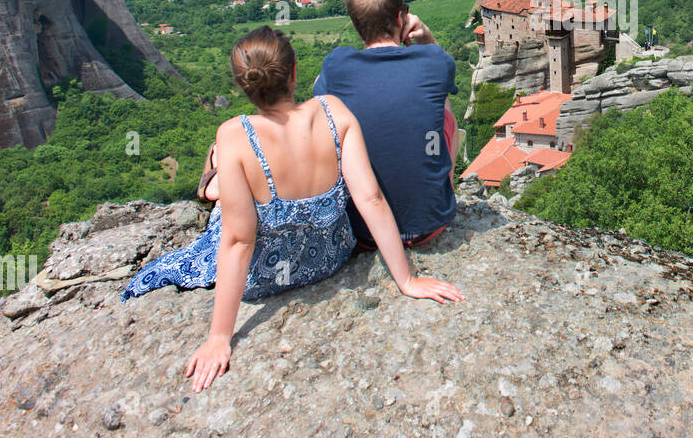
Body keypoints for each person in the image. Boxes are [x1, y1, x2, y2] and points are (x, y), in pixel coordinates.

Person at [123, 26, 464, 392]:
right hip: (327, 259)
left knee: (222, 161)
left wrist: (219, 338)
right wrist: (407, 280)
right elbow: (371, 199)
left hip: (265, 277)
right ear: (295, 73)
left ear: (243, 85)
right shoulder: (332, 111)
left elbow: (238, 241)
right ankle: (216, 179)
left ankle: (214, 179)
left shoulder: (234, 133)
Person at [312, 0, 458, 250]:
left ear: (356, 25)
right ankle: (441, 187)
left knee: (334, 116)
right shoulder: (434, 61)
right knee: (444, 110)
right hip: (430, 225)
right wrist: (426, 37)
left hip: (362, 233)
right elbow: (442, 74)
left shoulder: (336, 65)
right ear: (402, 19)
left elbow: (316, 93)